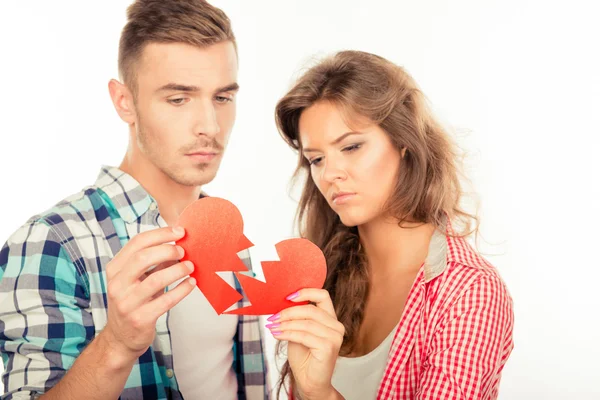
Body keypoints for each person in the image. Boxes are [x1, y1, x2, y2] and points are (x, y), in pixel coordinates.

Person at [0, 1, 268, 399]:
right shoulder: (52, 242)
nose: (210, 126)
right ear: (124, 101)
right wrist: (118, 344)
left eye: (223, 98)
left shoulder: (226, 234)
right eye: (179, 99)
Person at [269, 50, 514, 400]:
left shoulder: (468, 292)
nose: (330, 174)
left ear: (402, 142)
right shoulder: (323, 279)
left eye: (351, 146)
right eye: (317, 159)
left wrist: (320, 393)